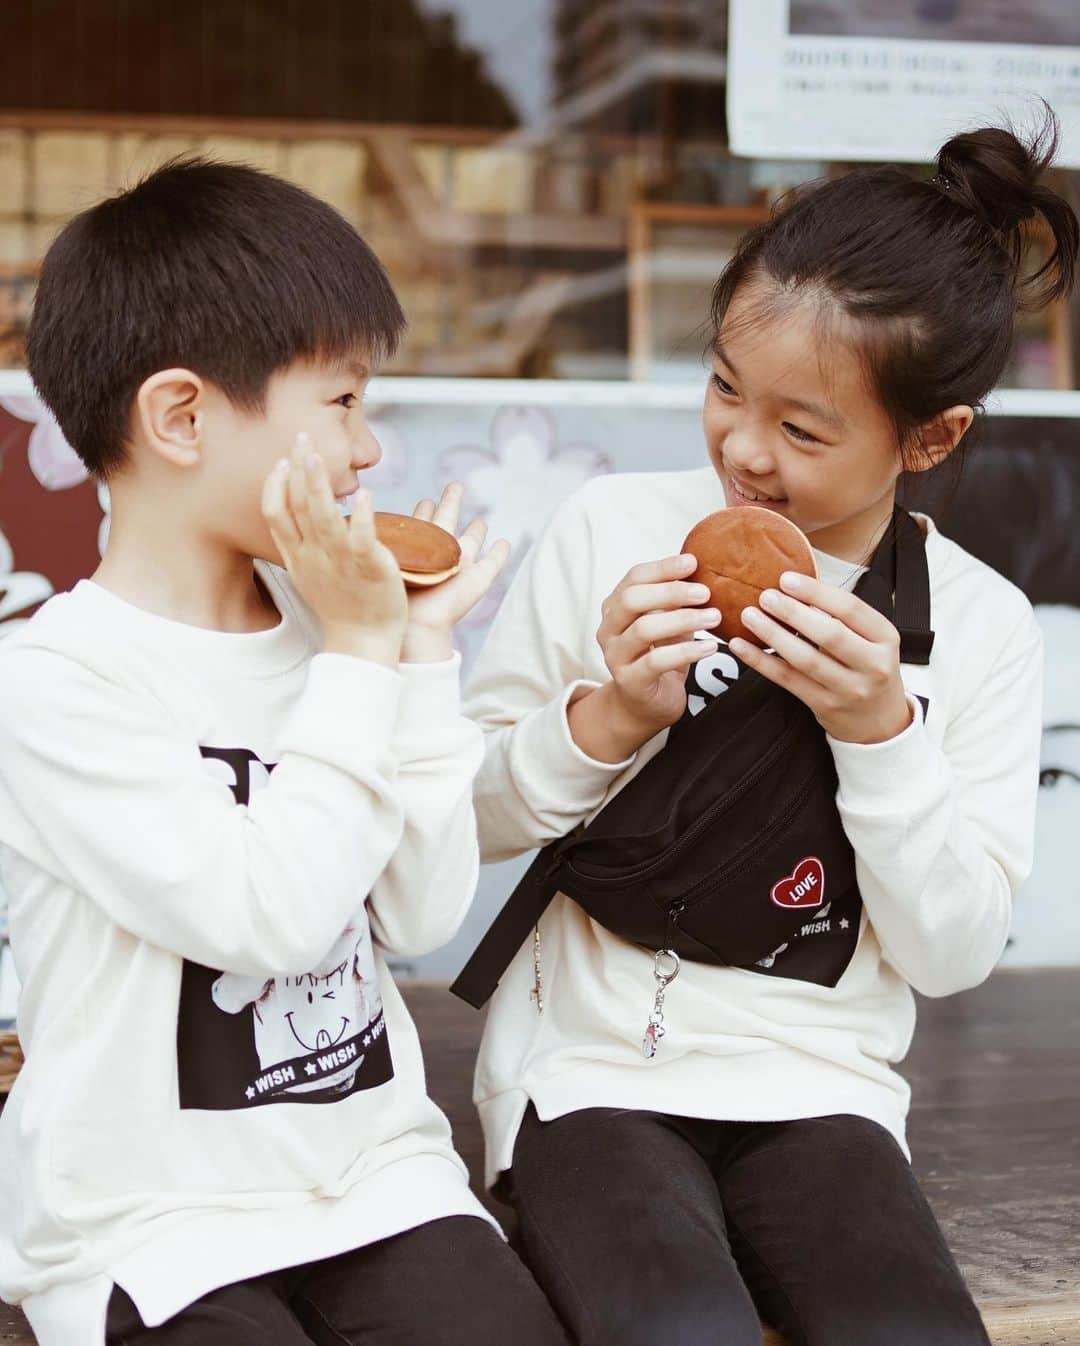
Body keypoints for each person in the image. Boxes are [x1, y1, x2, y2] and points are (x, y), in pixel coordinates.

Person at [460, 115, 1078, 1346]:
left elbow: (951, 950)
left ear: (932, 434)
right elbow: (462, 814)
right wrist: (610, 712)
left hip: (824, 1089)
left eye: (802, 428)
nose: (743, 448)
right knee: (674, 1326)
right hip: (589, 1071)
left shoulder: (981, 625)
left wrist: (881, 728)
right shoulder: (611, 532)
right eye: (726, 389)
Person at [0, 159, 568, 1346]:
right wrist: (365, 653)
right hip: (153, 1223)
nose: (369, 451)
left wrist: (413, 653)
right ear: (182, 416)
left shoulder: (334, 629)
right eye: (343, 401)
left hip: (378, 1183)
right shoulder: (58, 679)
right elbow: (263, 917)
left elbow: (420, 908)